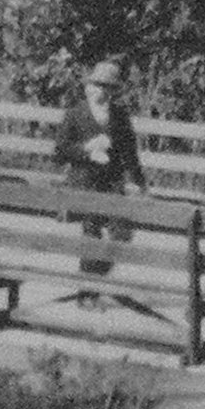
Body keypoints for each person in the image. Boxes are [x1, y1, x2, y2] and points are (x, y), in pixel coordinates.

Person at [55, 58, 147, 280]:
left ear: (114, 91)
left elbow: (129, 153)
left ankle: (98, 276)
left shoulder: (119, 116)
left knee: (123, 230)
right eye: (97, 85)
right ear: (88, 87)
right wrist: (87, 150)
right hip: (83, 180)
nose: (101, 92)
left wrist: (136, 181)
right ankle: (88, 289)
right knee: (91, 227)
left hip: (111, 182)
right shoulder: (76, 114)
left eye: (107, 88)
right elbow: (60, 151)